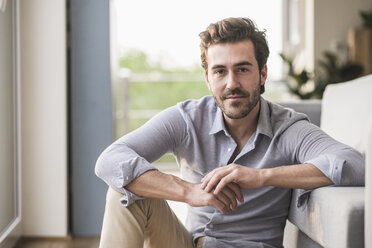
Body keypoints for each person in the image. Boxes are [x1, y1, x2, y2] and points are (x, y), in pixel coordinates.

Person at [95, 17, 364, 248]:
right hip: (190, 243)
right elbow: (110, 159)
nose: (232, 83)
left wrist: (262, 176)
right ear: (208, 78)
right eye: (220, 71)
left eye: (243, 69)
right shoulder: (187, 119)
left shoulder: (288, 128)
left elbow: (354, 164)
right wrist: (188, 191)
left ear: (262, 74)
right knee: (123, 194)